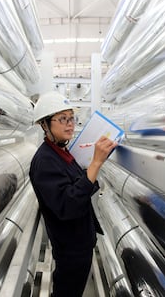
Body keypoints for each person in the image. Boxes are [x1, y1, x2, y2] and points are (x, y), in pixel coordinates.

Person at [29, 91, 117, 297]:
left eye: (71, 118)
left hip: (79, 241)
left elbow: (79, 181)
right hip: (70, 247)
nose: (70, 124)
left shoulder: (62, 151)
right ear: (44, 125)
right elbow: (67, 206)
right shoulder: (45, 161)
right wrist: (95, 163)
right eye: (62, 119)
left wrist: (92, 166)